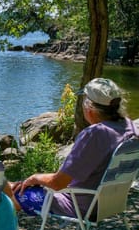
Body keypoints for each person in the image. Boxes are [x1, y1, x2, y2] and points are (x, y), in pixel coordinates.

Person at [9, 78, 138, 218]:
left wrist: (34, 178)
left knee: (15, 192)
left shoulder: (95, 135)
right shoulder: (130, 128)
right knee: (16, 186)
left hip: (80, 206)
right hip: (110, 204)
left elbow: (57, 183)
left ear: (89, 108)